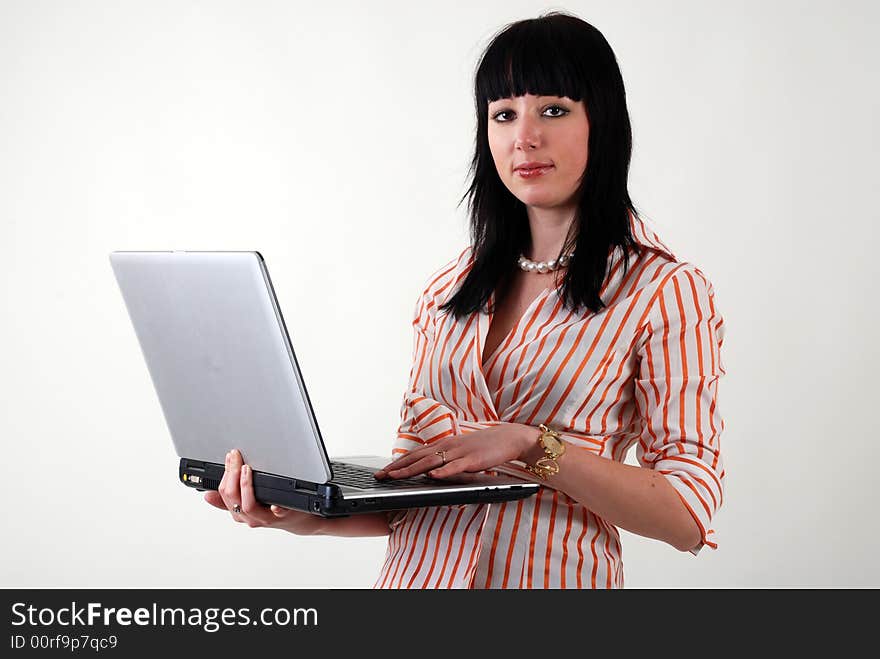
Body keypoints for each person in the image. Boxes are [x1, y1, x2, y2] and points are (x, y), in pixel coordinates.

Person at [204, 10, 727, 589]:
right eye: (503, 115)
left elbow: (687, 514)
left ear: (601, 122)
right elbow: (414, 498)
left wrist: (533, 446)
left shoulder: (665, 290)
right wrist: (302, 514)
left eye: (553, 110)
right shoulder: (447, 291)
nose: (523, 137)